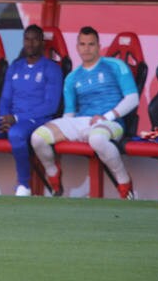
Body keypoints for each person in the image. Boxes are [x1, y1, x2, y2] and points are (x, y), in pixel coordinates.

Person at [30, 26, 138, 199]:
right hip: (82, 122)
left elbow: (133, 98)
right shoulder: (72, 77)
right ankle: (53, 173)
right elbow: (69, 114)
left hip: (111, 122)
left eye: (91, 44)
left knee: (96, 139)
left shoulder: (115, 65)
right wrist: (65, 130)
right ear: (77, 47)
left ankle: (124, 181)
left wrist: (108, 116)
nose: (86, 48)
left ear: (98, 46)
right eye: (82, 44)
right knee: (38, 137)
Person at [0, 25, 63, 196]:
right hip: (11, 120)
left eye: (35, 39)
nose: (30, 43)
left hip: (37, 120)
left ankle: (24, 185)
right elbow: (5, 98)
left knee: (16, 133)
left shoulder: (52, 68)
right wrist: (4, 118)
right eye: (27, 39)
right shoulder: (15, 67)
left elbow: (50, 106)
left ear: (42, 42)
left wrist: (16, 118)